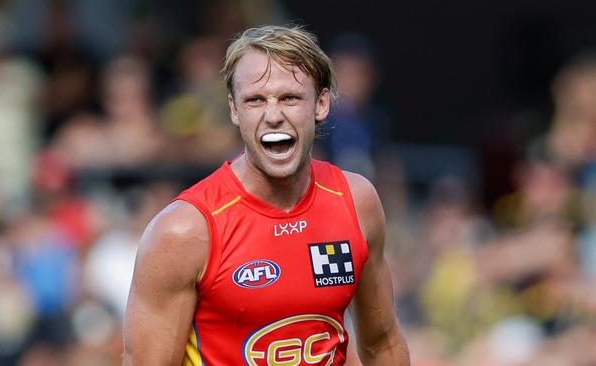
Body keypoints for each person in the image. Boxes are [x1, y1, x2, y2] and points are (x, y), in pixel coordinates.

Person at [122, 25, 410, 365]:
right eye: (256, 100)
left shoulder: (355, 202)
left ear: (321, 103)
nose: (273, 116)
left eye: (289, 97)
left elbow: (382, 344)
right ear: (234, 109)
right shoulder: (184, 231)